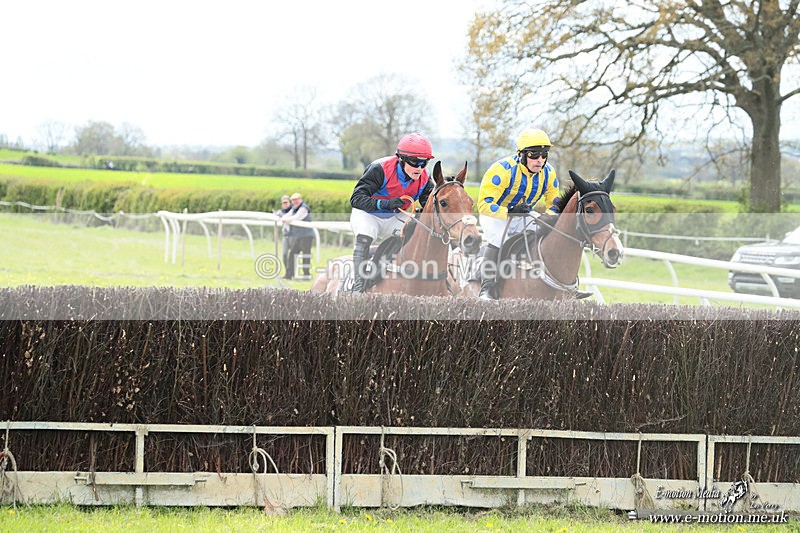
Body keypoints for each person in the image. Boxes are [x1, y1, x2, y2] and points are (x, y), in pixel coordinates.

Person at [476, 128, 561, 300]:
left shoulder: (549, 172)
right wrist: (508, 212)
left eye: (544, 155)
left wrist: (549, 216)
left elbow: (555, 203)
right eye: (534, 155)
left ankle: (564, 285)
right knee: (501, 238)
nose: (540, 160)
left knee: (554, 235)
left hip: (524, 215)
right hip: (495, 215)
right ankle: (487, 287)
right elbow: (484, 205)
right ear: (521, 154)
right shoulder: (502, 170)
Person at [348, 133, 436, 293]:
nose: (419, 168)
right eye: (415, 162)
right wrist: (385, 204)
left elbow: (429, 205)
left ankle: (388, 267)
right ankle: (358, 287)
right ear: (401, 159)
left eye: (424, 163)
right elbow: (356, 199)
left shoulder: (425, 178)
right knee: (366, 232)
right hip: (368, 215)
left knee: (413, 230)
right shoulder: (379, 169)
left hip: (394, 217)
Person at [280, 192, 315, 281]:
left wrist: (285, 220)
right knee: (292, 255)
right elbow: (288, 215)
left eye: (296, 200)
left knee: (305, 256)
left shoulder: (304, 208)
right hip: (298, 236)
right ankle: (289, 275)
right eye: (293, 200)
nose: (294, 202)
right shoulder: (294, 208)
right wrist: (283, 218)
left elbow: (297, 217)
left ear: (300, 200)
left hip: (306, 236)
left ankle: (306, 275)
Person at [275, 195, 293, 279]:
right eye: (283, 203)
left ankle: (291, 274)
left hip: (294, 236)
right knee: (285, 254)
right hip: (285, 236)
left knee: (292, 255)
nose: (285, 204)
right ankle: (288, 273)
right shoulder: (280, 212)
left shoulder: (294, 211)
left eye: (286, 202)